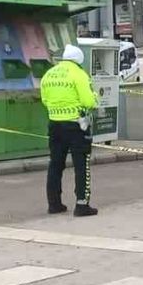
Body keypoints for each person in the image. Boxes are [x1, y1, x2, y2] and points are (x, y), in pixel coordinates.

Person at [40, 45, 98, 217]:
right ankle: (81, 205)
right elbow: (89, 102)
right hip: (76, 126)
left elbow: (44, 99)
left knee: (55, 164)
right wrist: (95, 97)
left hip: (55, 125)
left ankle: (54, 204)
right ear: (79, 60)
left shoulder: (49, 74)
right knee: (82, 165)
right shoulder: (79, 74)